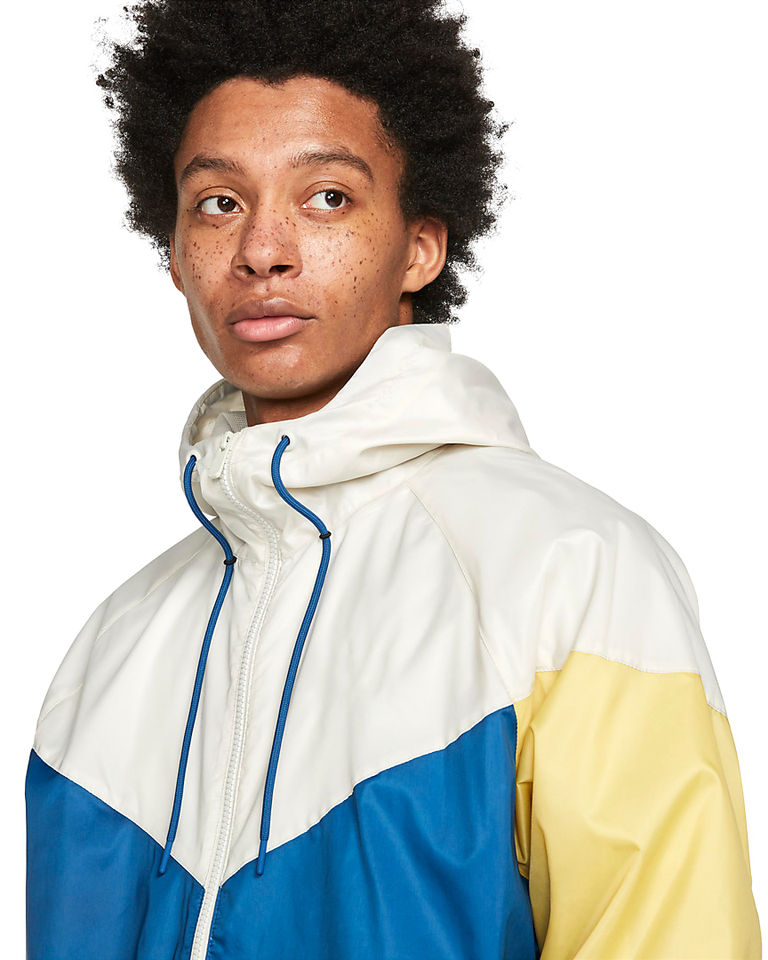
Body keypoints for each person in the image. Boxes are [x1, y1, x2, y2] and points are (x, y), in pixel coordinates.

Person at [25, 0, 761, 957]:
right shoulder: (110, 650)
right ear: (173, 253)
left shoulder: (572, 571)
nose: (262, 250)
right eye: (219, 203)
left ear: (422, 247)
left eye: (327, 197)